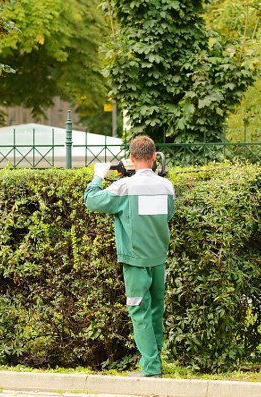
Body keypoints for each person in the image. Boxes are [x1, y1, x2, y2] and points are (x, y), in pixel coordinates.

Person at [84, 135, 175, 377]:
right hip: (158, 259)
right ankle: (155, 363)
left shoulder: (124, 187)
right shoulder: (167, 186)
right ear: (155, 157)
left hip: (135, 262)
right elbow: (168, 215)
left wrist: (98, 175)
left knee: (139, 311)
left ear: (132, 158)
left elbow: (91, 200)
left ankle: (151, 367)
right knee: (156, 310)